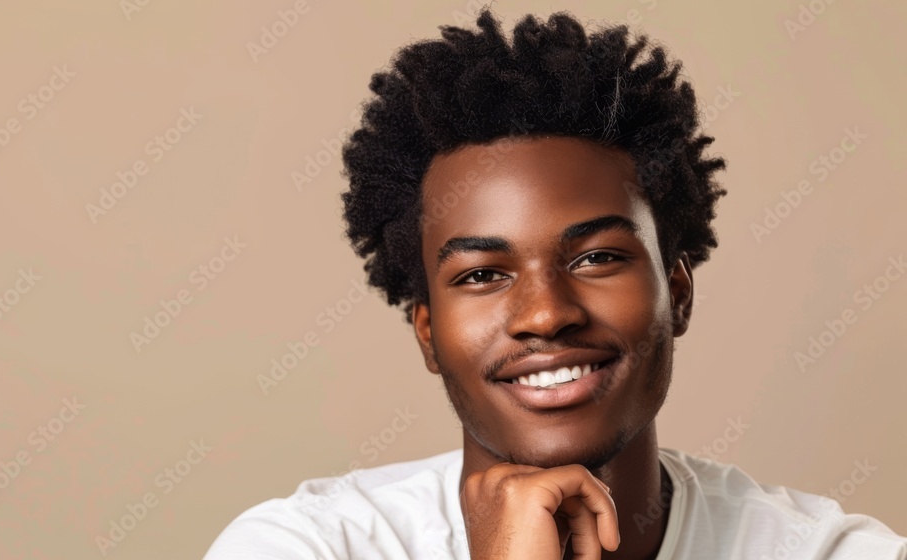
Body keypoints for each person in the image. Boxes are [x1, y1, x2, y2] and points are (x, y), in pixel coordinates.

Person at [204, 7, 907, 559]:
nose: (545, 314)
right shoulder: (307, 547)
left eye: (597, 258)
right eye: (481, 274)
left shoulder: (826, 553)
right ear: (426, 330)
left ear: (679, 291)